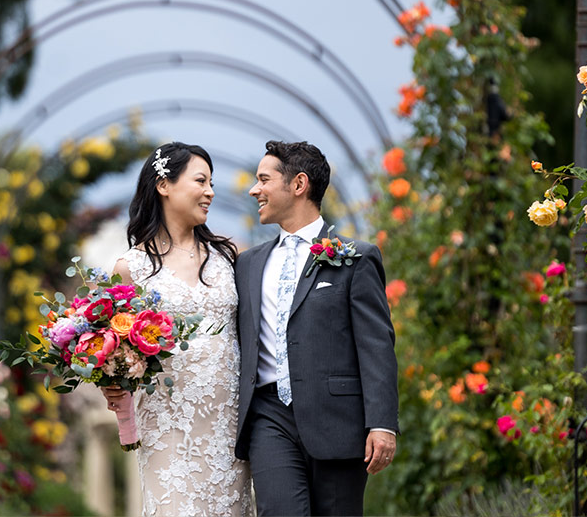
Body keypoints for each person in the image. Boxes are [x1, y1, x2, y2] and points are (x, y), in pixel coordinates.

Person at [235, 140, 398, 516]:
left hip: (339, 421)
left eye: (263, 180)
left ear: (298, 184)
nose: (254, 189)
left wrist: (382, 424)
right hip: (268, 416)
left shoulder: (355, 257)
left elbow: (376, 345)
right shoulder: (248, 264)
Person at [102, 142, 253, 517]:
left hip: (229, 427)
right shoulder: (130, 268)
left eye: (212, 183)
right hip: (167, 425)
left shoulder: (229, 258)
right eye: (201, 181)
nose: (211, 192)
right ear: (164, 184)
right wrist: (110, 377)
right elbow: (111, 345)